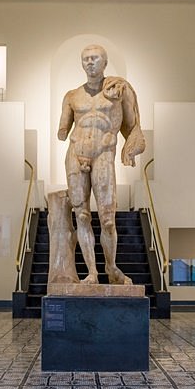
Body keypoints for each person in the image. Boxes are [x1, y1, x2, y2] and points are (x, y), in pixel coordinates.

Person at [58, 44, 145, 284]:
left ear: (105, 63)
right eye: (85, 59)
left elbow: (133, 125)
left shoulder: (118, 89)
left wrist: (132, 146)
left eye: (95, 58)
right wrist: (64, 127)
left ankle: (111, 267)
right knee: (82, 216)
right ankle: (92, 273)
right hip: (76, 153)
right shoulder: (72, 96)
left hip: (104, 153)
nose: (90, 62)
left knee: (107, 219)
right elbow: (62, 131)